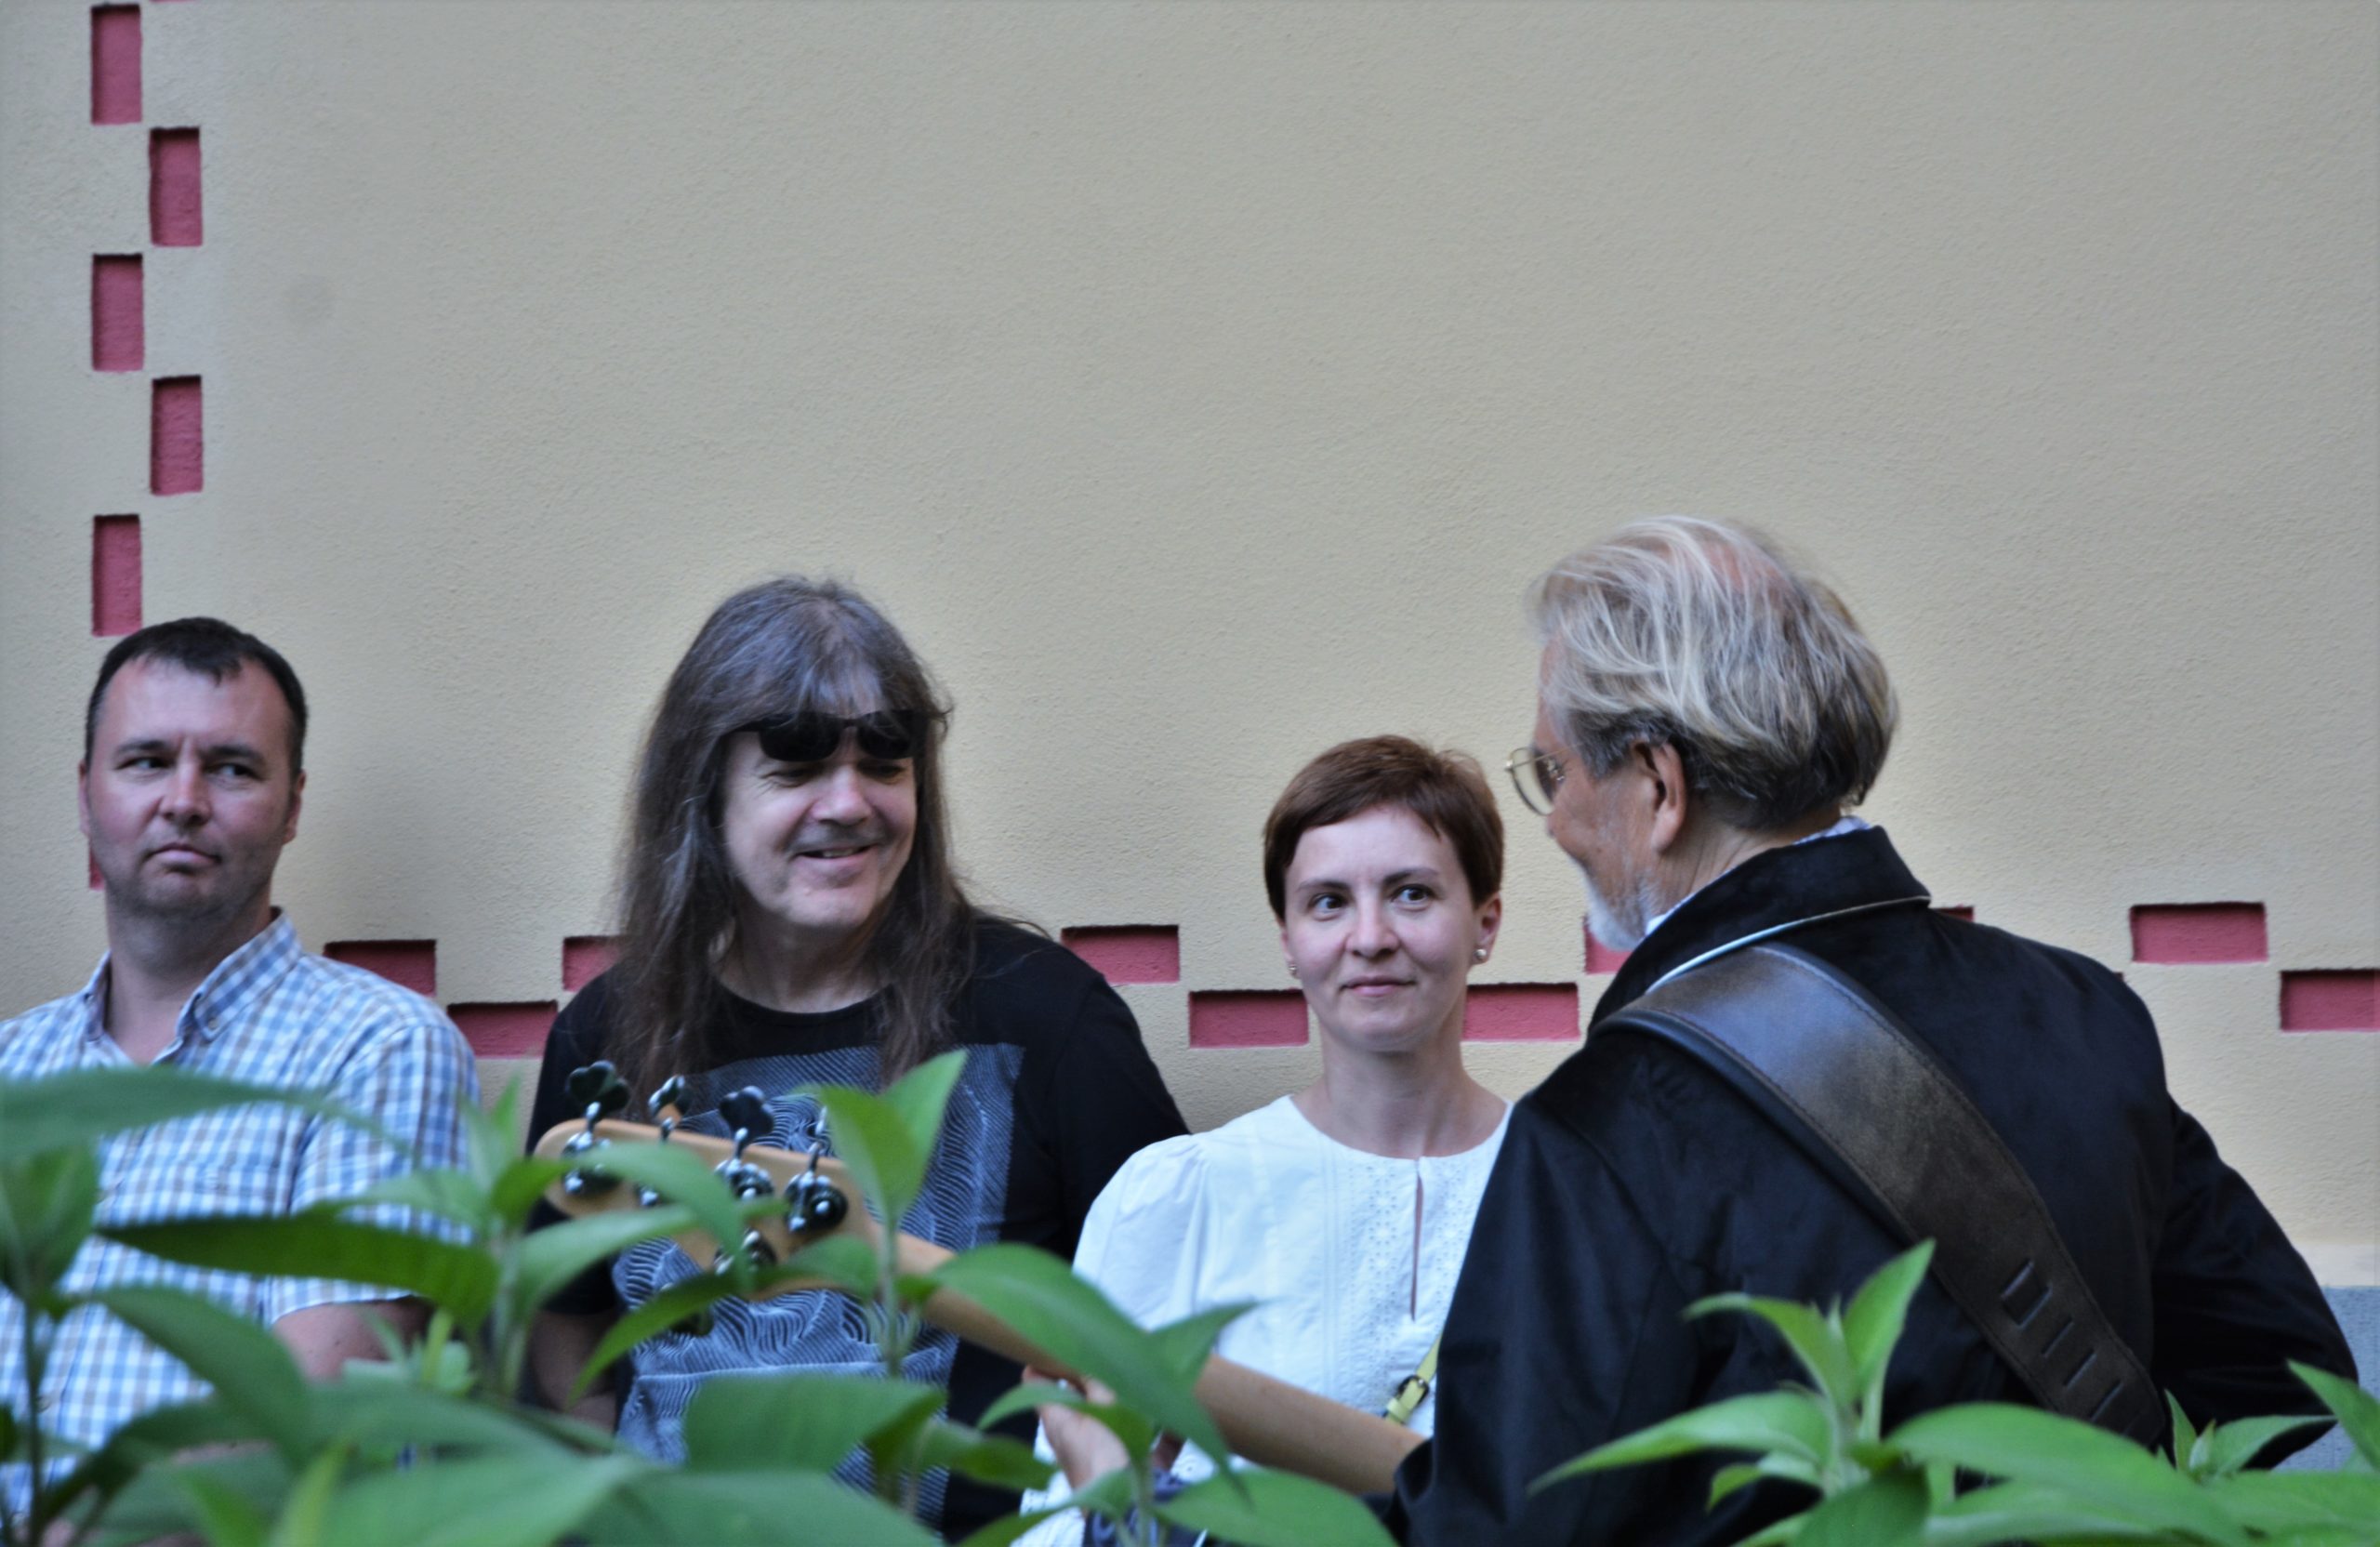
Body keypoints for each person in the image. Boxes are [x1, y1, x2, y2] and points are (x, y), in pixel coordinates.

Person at [1373, 516, 2357, 1542]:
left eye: (1556, 771)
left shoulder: (1610, 1120)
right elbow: (2276, 1364)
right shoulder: (2079, 1007)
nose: (1553, 819)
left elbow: (1500, 1529)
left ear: (1659, 786)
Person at [523, 576, 1187, 1539]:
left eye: (884, 760)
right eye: (796, 766)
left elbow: (1168, 1315)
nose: (849, 803)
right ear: (703, 789)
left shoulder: (1048, 1019)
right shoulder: (606, 1036)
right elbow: (567, 1332)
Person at [0, 617, 478, 1518]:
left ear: (292, 805)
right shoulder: (13, 1070)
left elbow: (301, 1423)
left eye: (231, 768)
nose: (183, 800)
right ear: (86, 793)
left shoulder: (376, 1048)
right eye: (146, 760)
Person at [1025, 736, 1514, 1540]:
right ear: (1288, 940)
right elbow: (1056, 1521)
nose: (1370, 936)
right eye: (1328, 902)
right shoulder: (1181, 1198)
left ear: (1484, 923)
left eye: (1412, 894)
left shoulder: (1573, 1186)